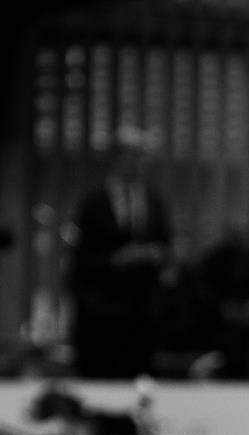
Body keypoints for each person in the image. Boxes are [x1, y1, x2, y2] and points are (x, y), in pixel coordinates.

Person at [65, 124, 172, 379]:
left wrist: (154, 255)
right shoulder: (93, 204)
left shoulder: (154, 203)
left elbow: (165, 246)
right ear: (116, 158)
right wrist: (116, 260)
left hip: (141, 314)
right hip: (101, 313)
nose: (137, 162)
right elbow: (81, 259)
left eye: (140, 156)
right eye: (131, 155)